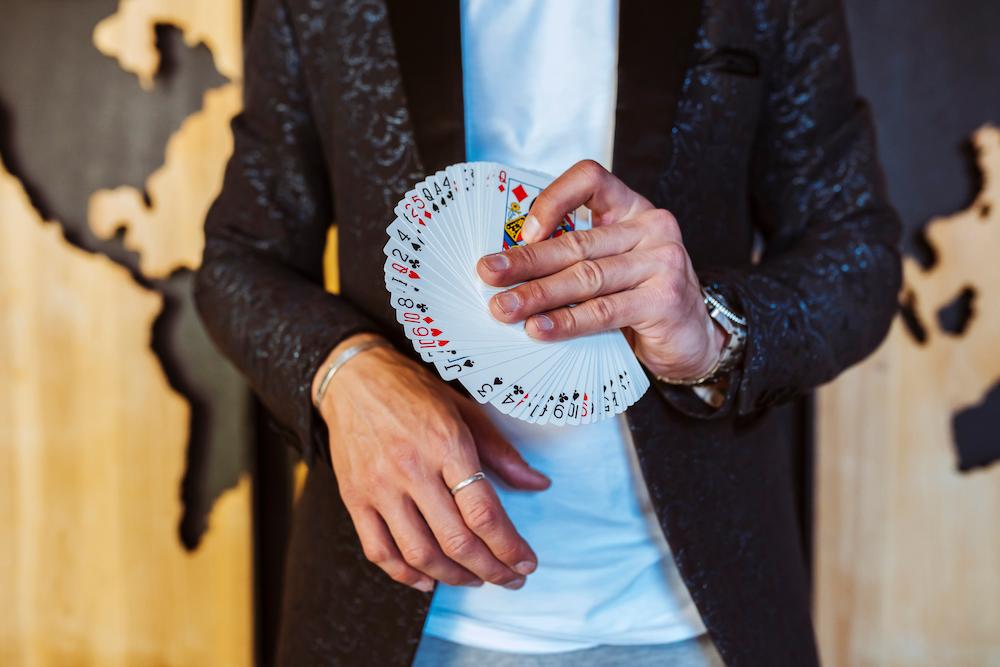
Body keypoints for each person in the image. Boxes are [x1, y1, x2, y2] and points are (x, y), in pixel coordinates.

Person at [194, 0, 902, 665]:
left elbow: (857, 256)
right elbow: (237, 257)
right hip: (395, 610)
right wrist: (344, 369)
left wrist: (712, 328)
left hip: (693, 622)